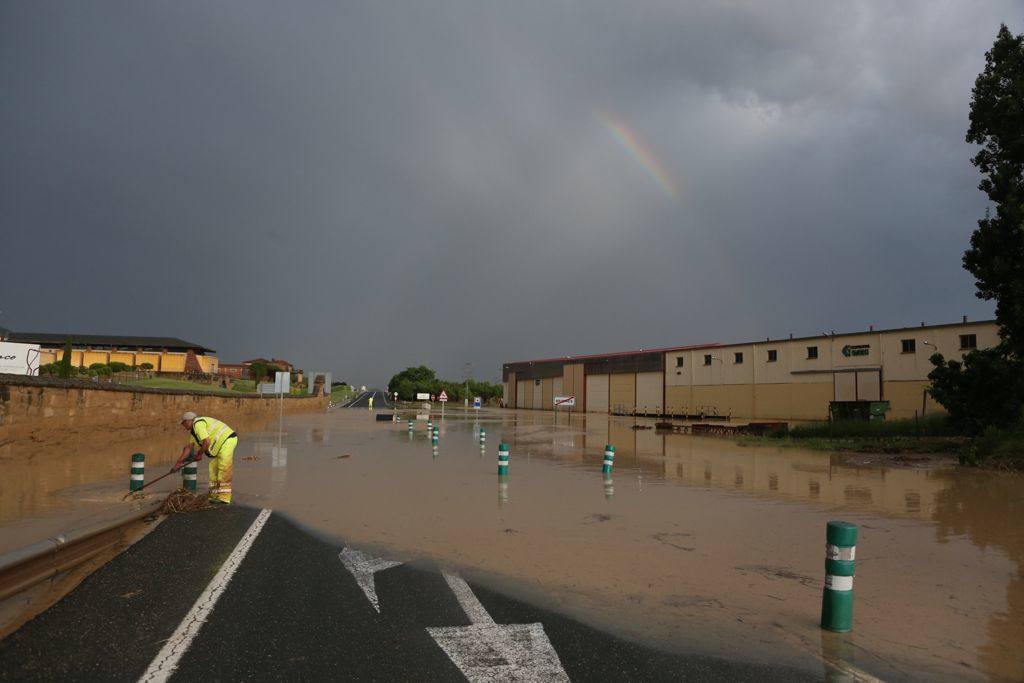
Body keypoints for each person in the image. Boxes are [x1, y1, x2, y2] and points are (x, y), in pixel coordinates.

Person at [175, 411, 238, 504]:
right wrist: (179, 462)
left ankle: (224, 497)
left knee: (224, 468)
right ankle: (214, 495)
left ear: (188, 421)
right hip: (220, 445)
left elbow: (207, 441)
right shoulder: (194, 432)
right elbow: (189, 447)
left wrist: (199, 454)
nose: (183, 426)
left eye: (183, 423)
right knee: (213, 470)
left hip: (228, 440)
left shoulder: (198, 424)